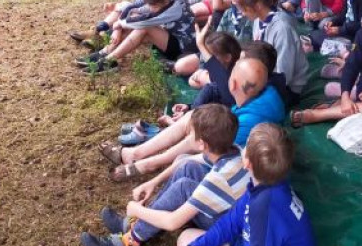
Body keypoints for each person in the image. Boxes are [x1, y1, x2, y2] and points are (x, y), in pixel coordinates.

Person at [155, 123, 318, 246]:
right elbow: (230, 224)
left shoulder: (267, 208)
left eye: (245, 146)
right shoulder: (263, 185)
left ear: (246, 162)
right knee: (187, 240)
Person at [80, 105, 249, 246]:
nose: (187, 137)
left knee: (184, 187)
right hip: (228, 213)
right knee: (188, 167)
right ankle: (137, 225)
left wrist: (134, 209)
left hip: (230, 234)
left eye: (190, 135)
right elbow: (184, 161)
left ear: (201, 144)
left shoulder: (218, 179)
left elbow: (172, 222)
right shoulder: (233, 151)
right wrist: (152, 182)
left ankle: (126, 245)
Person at [104, 59, 284, 181]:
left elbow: (208, 150)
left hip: (234, 167)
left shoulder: (248, 123)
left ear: (233, 84)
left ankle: (147, 163)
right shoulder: (267, 92)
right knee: (193, 117)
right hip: (236, 146)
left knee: (195, 140)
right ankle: (135, 154)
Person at [77, 0, 195, 74]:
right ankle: (105, 53)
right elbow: (137, 10)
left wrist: (119, 25)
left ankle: (108, 61)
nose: (150, 8)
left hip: (182, 48)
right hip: (171, 36)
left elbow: (143, 22)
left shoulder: (175, 9)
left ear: (165, 1)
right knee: (138, 23)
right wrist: (118, 27)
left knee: (144, 28)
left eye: (153, 6)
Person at [240, 0, 310, 102]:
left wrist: (256, 85)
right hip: (264, 76)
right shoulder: (258, 21)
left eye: (244, 9)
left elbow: (284, 74)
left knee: (245, 100)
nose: (242, 13)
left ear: (257, 6)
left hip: (286, 87)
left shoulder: (282, 28)